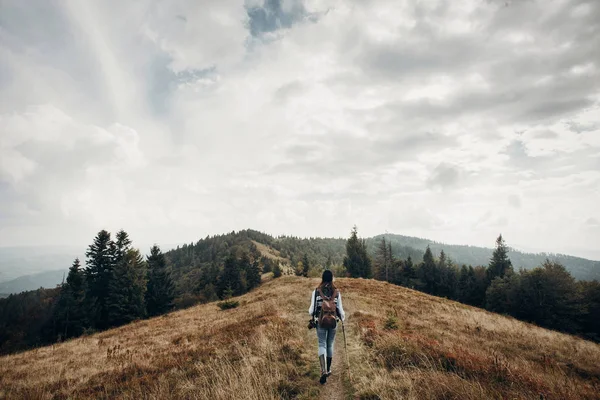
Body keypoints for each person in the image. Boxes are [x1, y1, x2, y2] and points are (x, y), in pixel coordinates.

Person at [308, 269, 345, 384]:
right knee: (330, 344)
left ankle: (323, 370)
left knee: (321, 344)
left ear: (322, 278)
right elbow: (340, 310)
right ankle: (328, 369)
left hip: (321, 322)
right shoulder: (336, 292)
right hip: (333, 322)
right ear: (332, 278)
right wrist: (342, 319)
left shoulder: (317, 291)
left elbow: (311, 310)